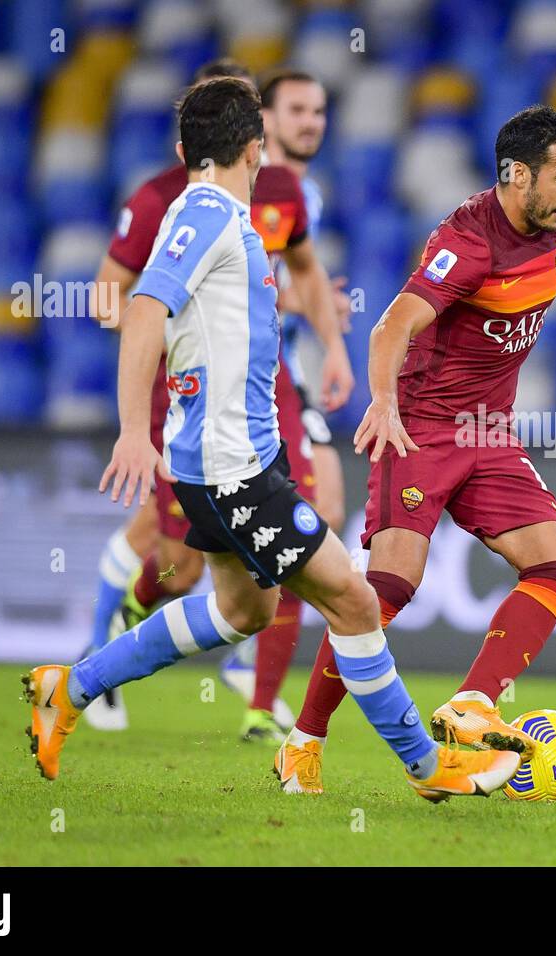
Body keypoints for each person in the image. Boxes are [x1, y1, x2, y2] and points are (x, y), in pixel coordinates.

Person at [23, 77, 520, 803]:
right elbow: (142, 310)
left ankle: (71, 687)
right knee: (351, 601)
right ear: (256, 146)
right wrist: (134, 430)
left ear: (183, 147)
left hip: (226, 460)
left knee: (242, 611)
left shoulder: (218, 215)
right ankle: (426, 764)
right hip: (234, 469)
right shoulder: (207, 217)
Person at [274, 105, 556, 793]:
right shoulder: (467, 242)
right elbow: (390, 327)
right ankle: (303, 741)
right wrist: (383, 402)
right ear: (517, 175)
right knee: (386, 590)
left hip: (489, 432)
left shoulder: (554, 219)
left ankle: (473, 703)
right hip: (422, 427)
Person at [78, 59, 352, 742]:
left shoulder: (283, 191)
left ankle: (261, 703)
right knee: (180, 565)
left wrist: (335, 345)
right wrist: (174, 330)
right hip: (191, 397)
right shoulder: (165, 205)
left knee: (316, 514)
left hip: (268, 389)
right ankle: (114, 637)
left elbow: (307, 274)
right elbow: (114, 300)